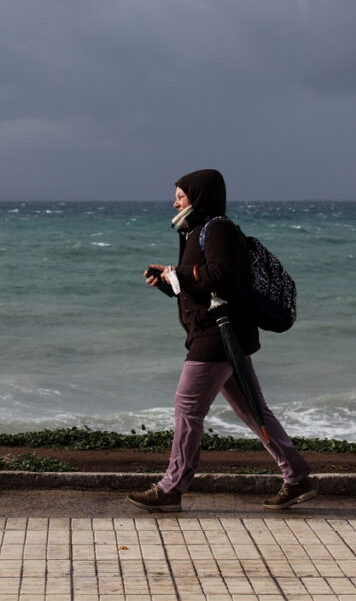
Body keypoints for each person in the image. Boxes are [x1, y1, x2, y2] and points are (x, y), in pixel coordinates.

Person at [127, 168, 316, 513]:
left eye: (180, 196)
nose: (174, 202)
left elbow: (223, 276)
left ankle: (172, 487)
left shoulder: (219, 229)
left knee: (187, 409)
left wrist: (178, 272)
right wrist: (169, 285)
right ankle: (297, 477)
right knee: (253, 411)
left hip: (217, 335)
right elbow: (207, 286)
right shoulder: (197, 231)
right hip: (222, 333)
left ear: (198, 197)